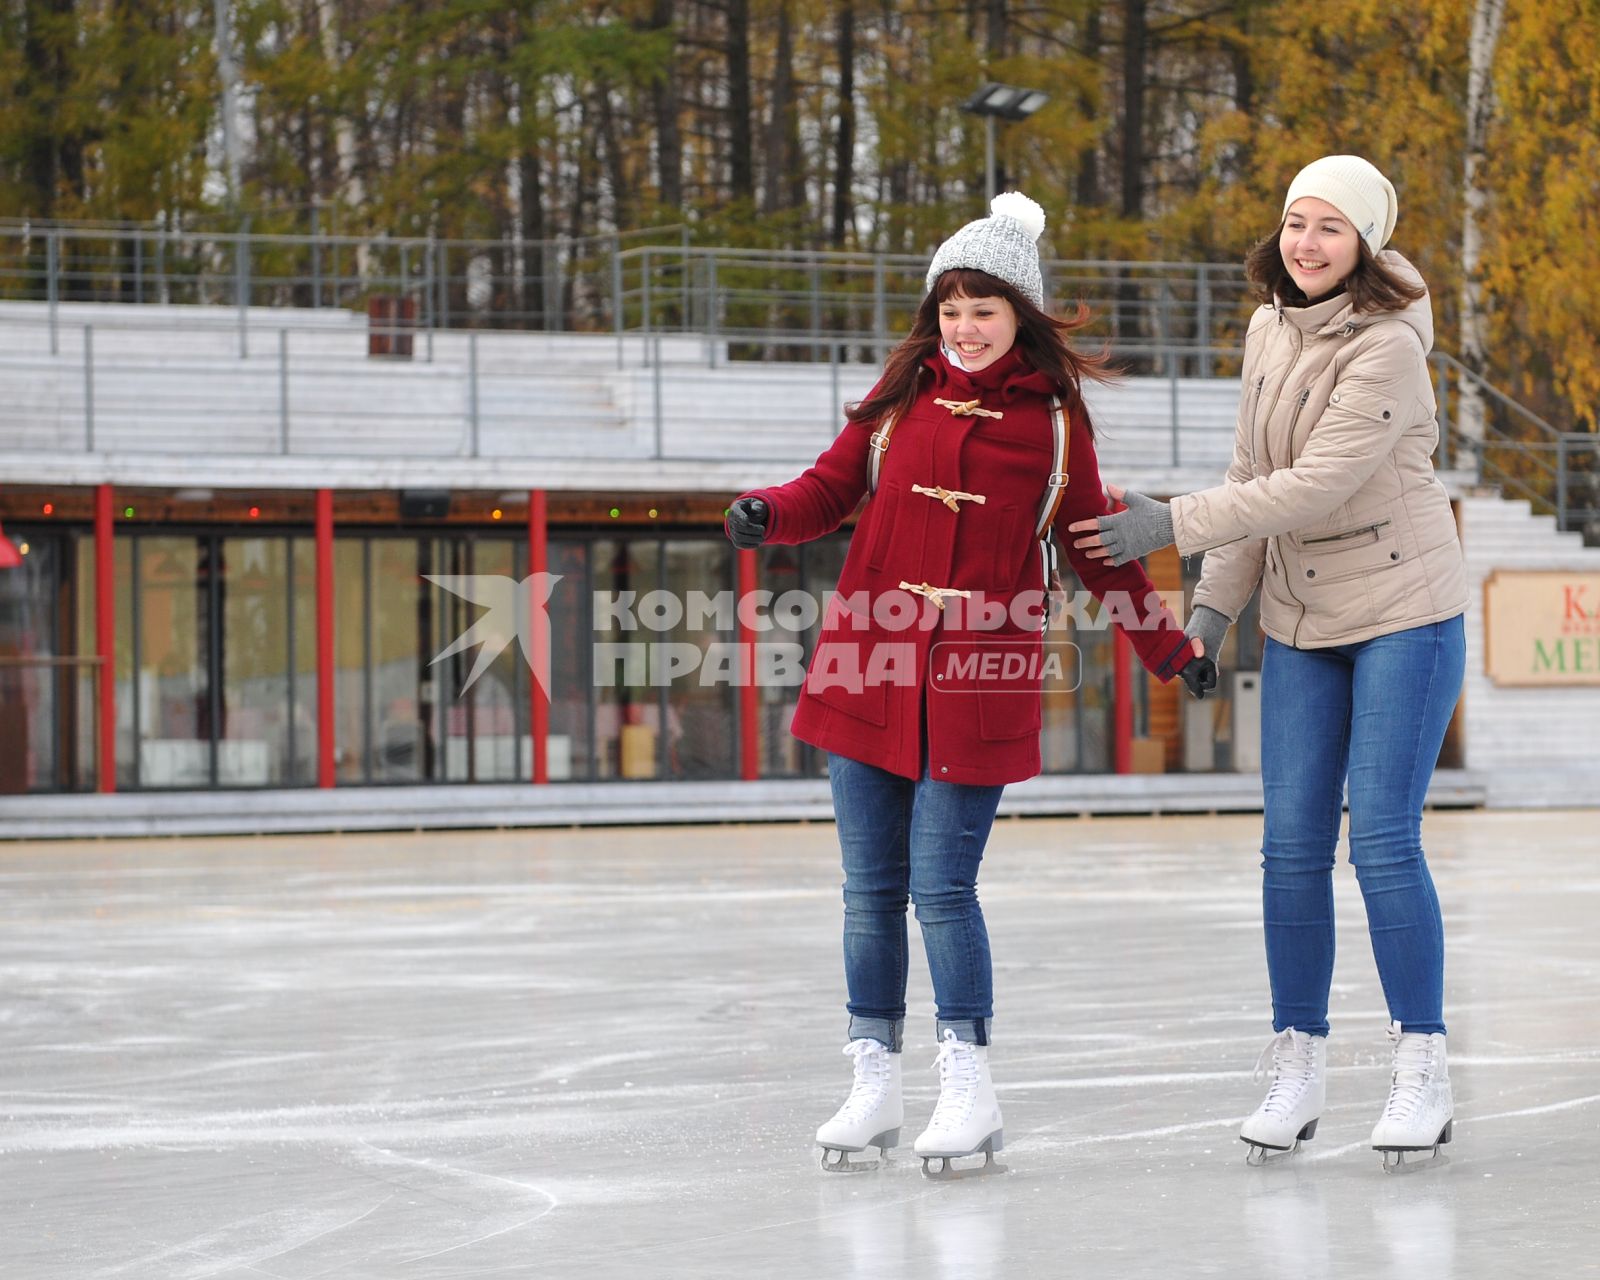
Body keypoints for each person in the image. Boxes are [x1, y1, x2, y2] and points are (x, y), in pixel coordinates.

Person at [725, 192, 1215, 1177]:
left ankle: (968, 1084)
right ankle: (872, 1081)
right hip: (870, 663)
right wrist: (763, 514)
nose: (963, 325)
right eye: (949, 306)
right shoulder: (899, 395)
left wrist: (1167, 650)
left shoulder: (1056, 426)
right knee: (870, 891)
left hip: (978, 675)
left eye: (982, 307)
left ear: (1019, 315)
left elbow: (1099, 552)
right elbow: (825, 488)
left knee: (941, 888)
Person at [1068, 155, 1468, 1171]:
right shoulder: (1267, 325)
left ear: (1364, 244)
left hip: (1401, 609)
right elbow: (1253, 470)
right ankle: (1296, 1062)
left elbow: (1313, 485)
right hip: (1298, 615)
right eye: (1296, 221)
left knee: (1379, 838)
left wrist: (1170, 522)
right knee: (1288, 847)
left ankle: (1421, 1062)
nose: (1306, 243)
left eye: (1330, 228)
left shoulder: (1387, 346)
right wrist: (1206, 615)